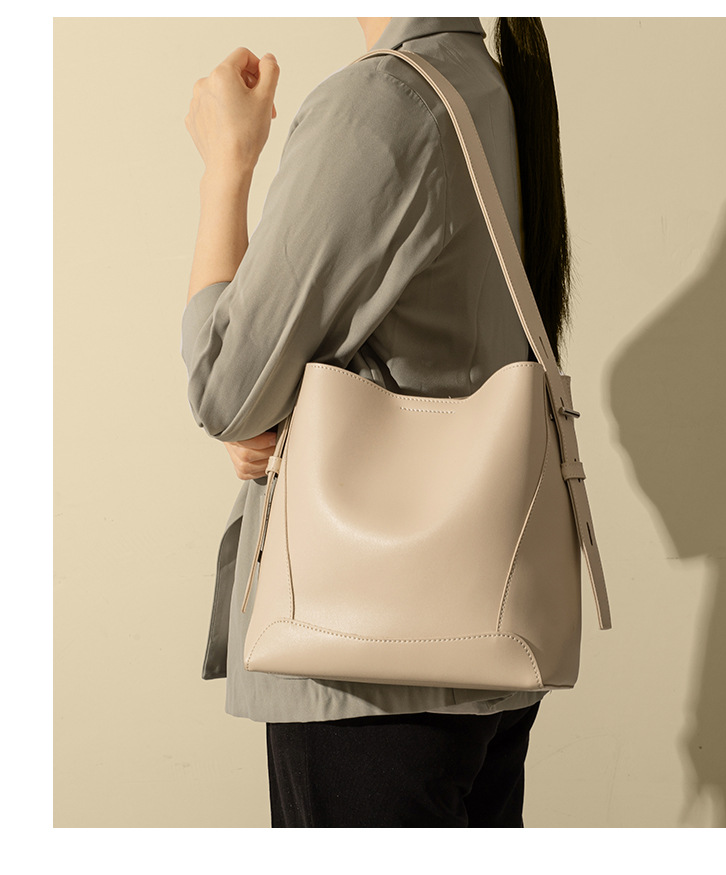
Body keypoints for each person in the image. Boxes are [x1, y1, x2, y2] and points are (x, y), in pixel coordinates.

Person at [181, 17, 574, 828]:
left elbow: (226, 387)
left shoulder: (383, 102)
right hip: (483, 645)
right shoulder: (492, 87)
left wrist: (226, 163)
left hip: (364, 668)